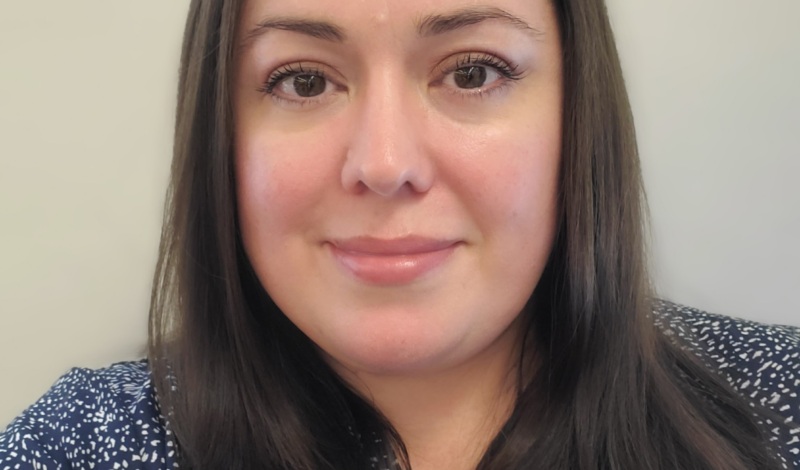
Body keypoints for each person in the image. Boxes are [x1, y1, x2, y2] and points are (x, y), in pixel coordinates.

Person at [1, 0, 798, 469]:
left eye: (474, 70)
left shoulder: (780, 405)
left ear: (578, 118)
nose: (385, 164)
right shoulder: (78, 444)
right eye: (303, 80)